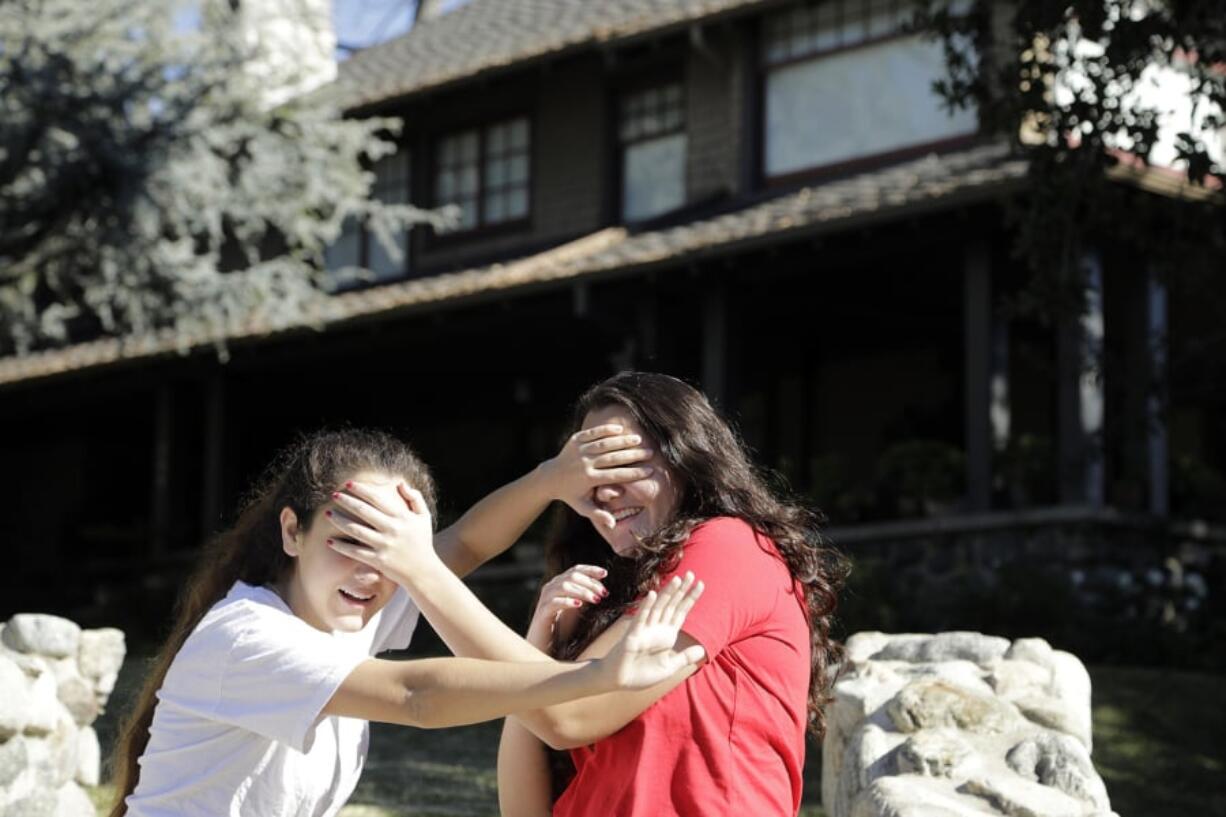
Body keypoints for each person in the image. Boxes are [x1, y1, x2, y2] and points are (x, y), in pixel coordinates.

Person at [110, 428, 705, 817]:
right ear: (293, 531)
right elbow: (415, 694)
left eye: (390, 551)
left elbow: (468, 541)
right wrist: (596, 677)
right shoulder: (247, 635)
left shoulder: (346, 605)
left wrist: (551, 479)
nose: (371, 572)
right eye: (349, 541)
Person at [330, 372, 848, 816]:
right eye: (586, 469)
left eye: (620, 460)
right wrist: (537, 651)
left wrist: (421, 569)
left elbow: (567, 715)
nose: (601, 486)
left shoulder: (730, 547)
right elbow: (525, 806)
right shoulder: (607, 596)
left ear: (685, 454)